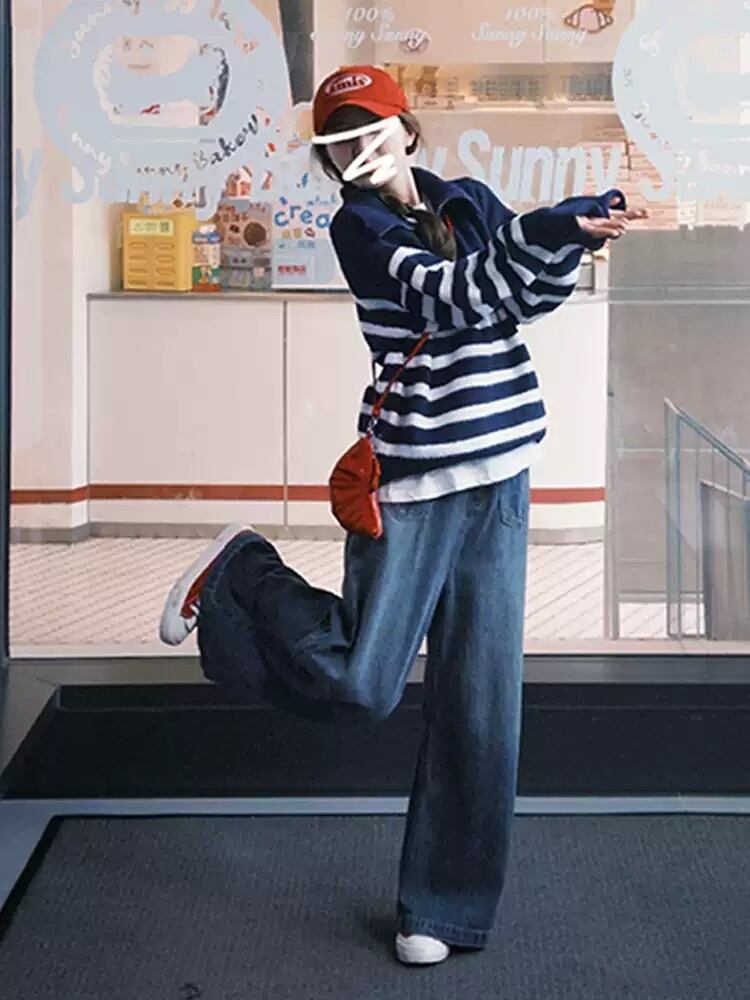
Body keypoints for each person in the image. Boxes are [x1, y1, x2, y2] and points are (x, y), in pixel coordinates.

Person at [159, 64, 647, 966]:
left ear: (406, 127)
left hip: (500, 473)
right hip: (414, 482)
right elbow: (453, 298)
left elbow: (525, 300)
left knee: (481, 706)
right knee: (362, 682)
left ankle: (443, 908)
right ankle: (244, 575)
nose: (360, 147)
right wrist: (545, 229)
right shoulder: (360, 227)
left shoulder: (467, 200)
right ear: (330, 158)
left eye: (373, 127)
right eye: (340, 139)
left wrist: (568, 238)